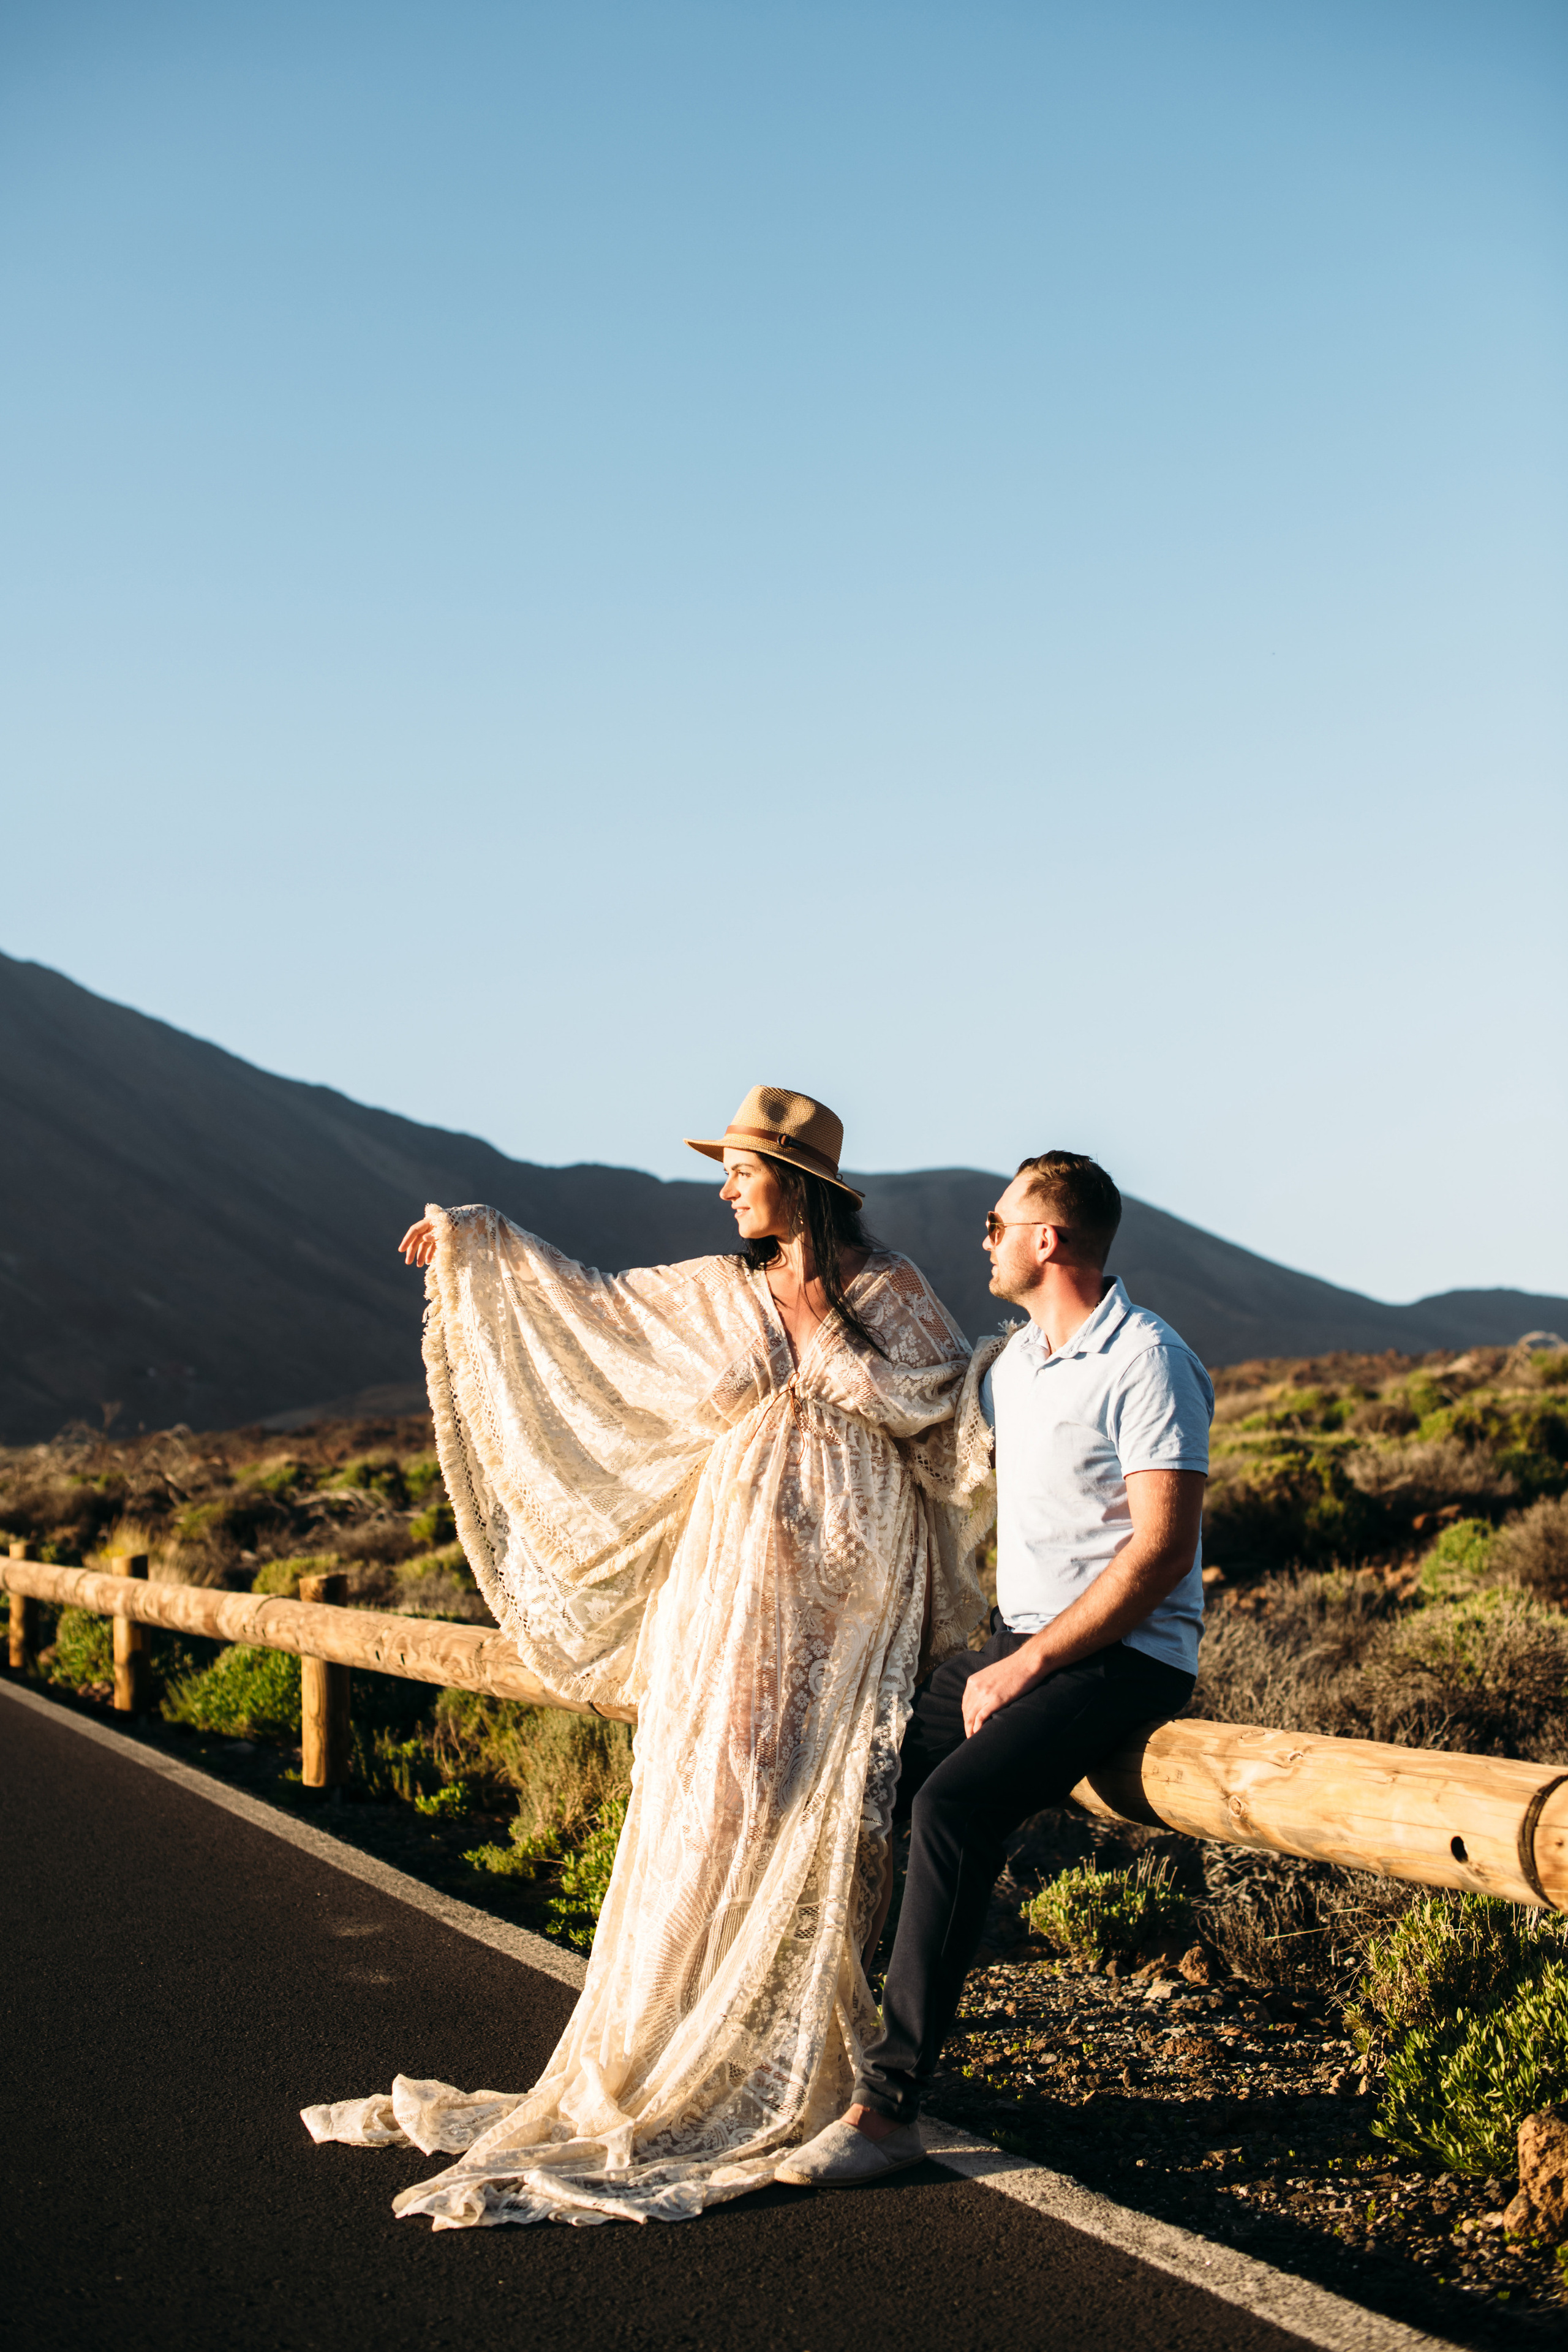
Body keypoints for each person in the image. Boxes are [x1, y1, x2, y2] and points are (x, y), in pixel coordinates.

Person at [302, 1085, 995, 2227]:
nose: (723, 1184)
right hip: (729, 1597)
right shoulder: (714, 1291)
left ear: (798, 1180)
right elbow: (592, 1311)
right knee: (714, 1796)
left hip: (850, 1605)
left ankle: (796, 2056)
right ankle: (681, 2046)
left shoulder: (890, 1291)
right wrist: (482, 1241)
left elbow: (954, 1418)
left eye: (741, 1167)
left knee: (816, 1810)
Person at [778, 1149, 1212, 2189]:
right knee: (869, 1770)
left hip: (1126, 1657)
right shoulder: (1014, 1366)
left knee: (956, 1811)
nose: (984, 1237)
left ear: (1047, 1239)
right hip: (1025, 1643)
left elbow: (1158, 1551)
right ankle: (815, 2048)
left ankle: (889, 2114)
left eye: (996, 1221)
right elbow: (912, 1409)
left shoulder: (1149, 1359)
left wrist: (1030, 1667)